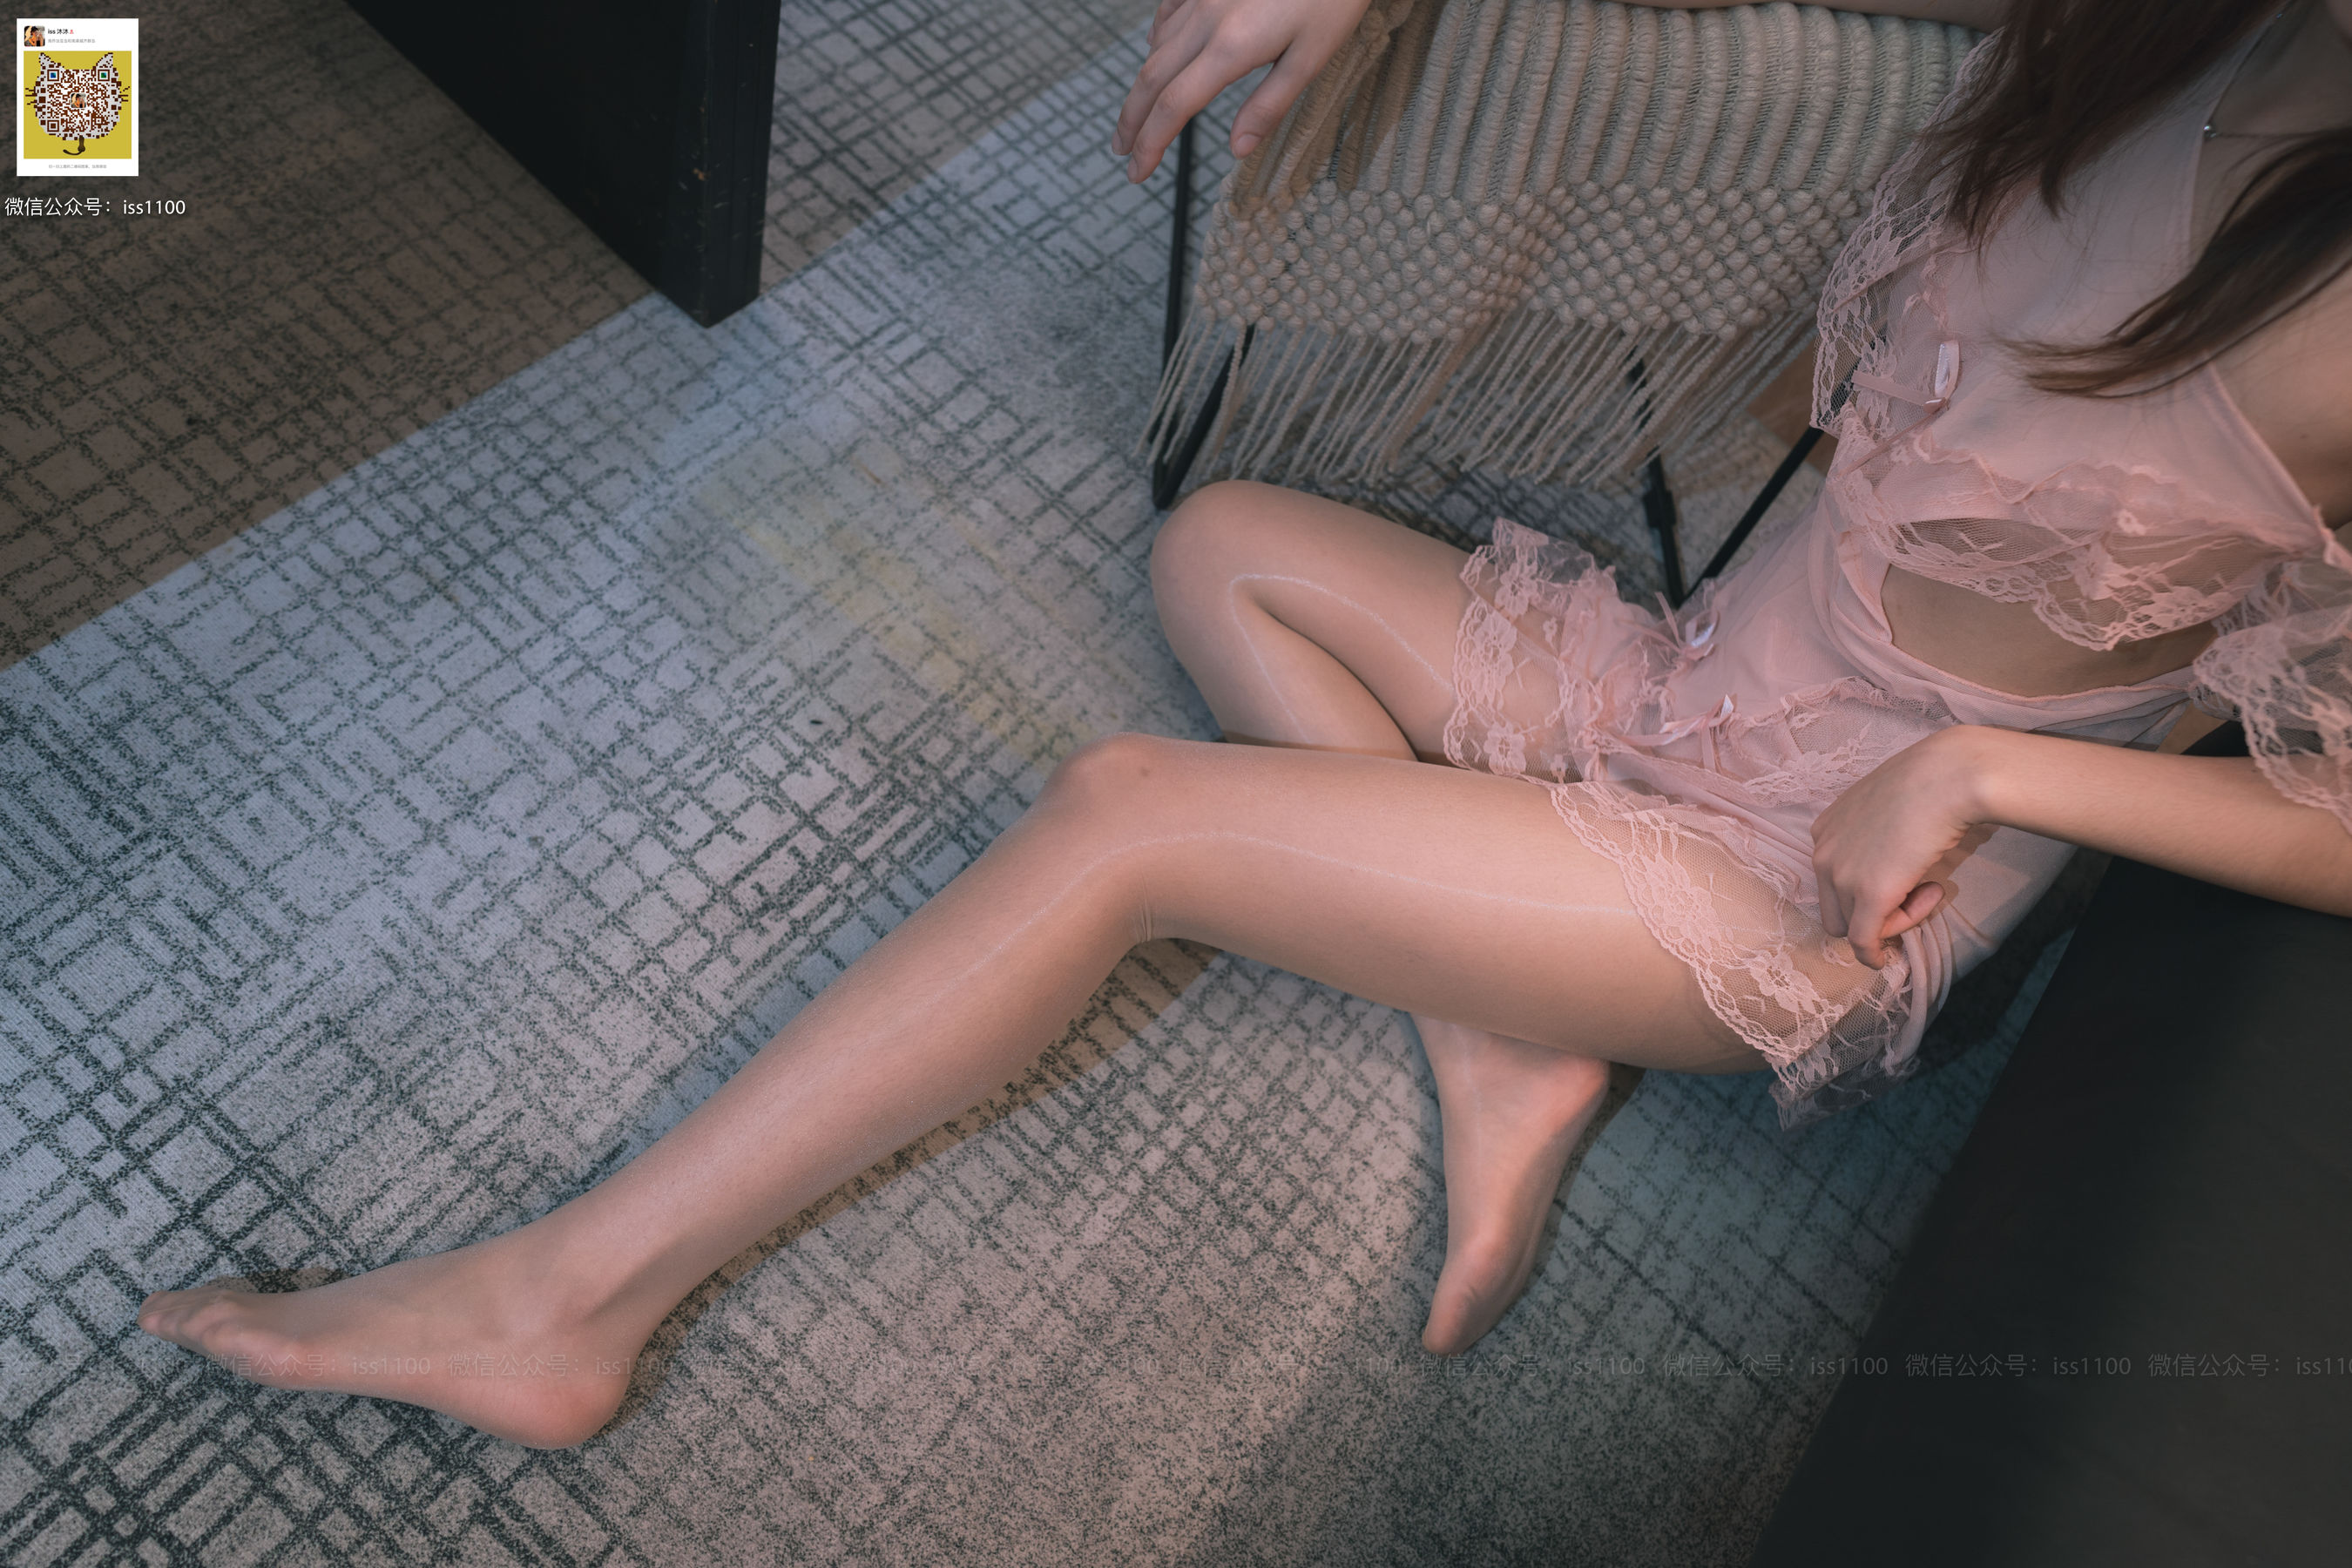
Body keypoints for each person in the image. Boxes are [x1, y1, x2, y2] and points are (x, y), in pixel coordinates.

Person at [139, 0, 2352, 1450]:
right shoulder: (2183, 30)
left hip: (1811, 880)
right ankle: (1503, 1026)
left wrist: (1989, 770)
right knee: (1222, 548)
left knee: (1131, 822)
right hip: (1695, 677)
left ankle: (568, 1303)